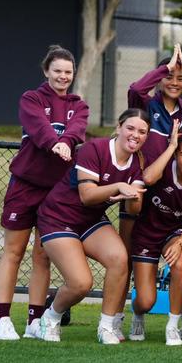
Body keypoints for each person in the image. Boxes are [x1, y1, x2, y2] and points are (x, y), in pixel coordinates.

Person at [119, 43, 182, 333]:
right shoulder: (147, 107)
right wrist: (164, 68)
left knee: (181, 260)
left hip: (178, 197)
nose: (175, 82)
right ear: (161, 78)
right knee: (127, 261)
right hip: (143, 192)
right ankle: (124, 315)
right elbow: (137, 90)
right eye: (169, 77)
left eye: (180, 79)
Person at [0, 45, 88, 340]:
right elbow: (38, 127)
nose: (63, 76)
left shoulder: (79, 104)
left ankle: (35, 320)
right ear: (46, 71)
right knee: (14, 252)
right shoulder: (31, 98)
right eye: (57, 71)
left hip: (55, 192)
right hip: (25, 186)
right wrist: (54, 143)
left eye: (68, 72)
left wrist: (67, 141)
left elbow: (77, 129)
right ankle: (3, 320)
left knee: (42, 256)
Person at [36, 108, 149, 344]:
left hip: (90, 221)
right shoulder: (94, 148)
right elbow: (87, 196)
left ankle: (107, 326)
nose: (135, 135)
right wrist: (118, 186)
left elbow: (132, 209)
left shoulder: (137, 161)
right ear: (118, 128)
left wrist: (136, 197)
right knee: (81, 283)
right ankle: (50, 317)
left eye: (142, 131)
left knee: (119, 259)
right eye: (130, 128)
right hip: (59, 217)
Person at [128, 121, 182, 346]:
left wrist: (181, 242)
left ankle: (173, 324)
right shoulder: (161, 170)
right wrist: (170, 147)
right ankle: (138, 314)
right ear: (175, 155)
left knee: (180, 265)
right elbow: (148, 178)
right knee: (145, 301)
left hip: (175, 232)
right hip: (147, 233)